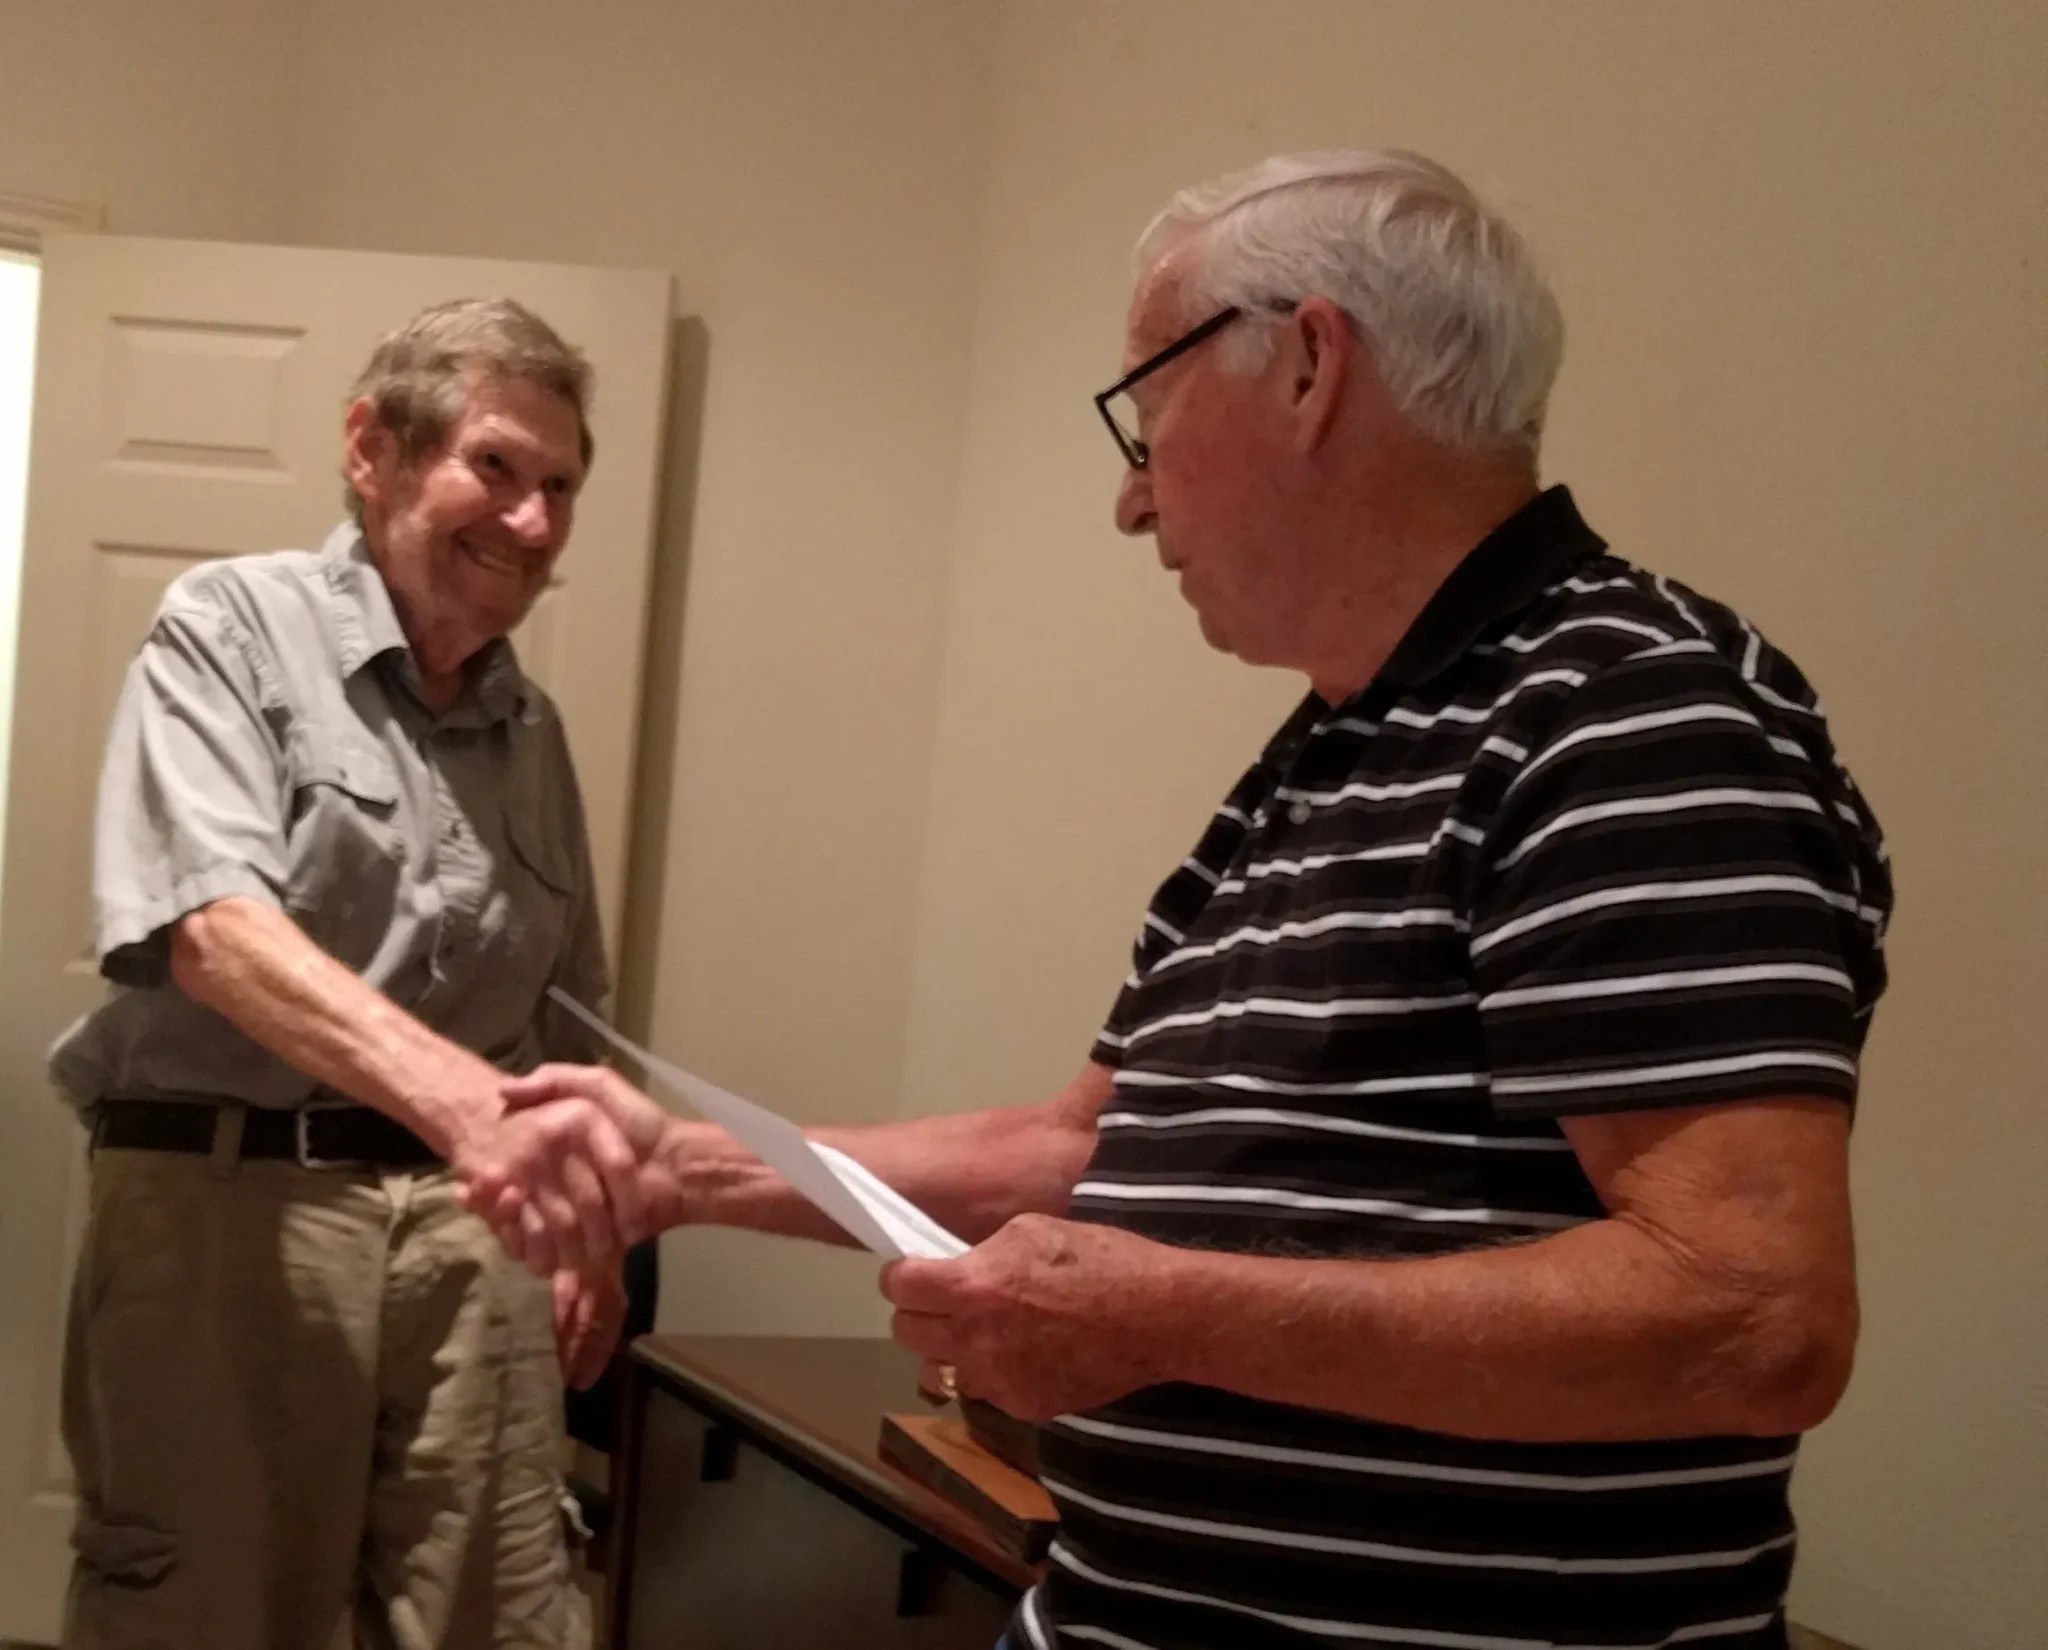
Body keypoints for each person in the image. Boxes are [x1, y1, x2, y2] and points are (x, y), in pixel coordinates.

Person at [467, 151, 1892, 1650]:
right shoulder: (1330, 748)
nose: (1130, 501)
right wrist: (679, 1168)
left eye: (1145, 419)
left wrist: (1164, 1315)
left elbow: (1751, 1317)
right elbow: (1074, 1148)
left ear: (1309, 369)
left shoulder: (1627, 715)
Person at [49, 297, 625, 1650]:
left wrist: (591, 1215)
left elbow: (572, 1012)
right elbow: (211, 929)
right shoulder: (230, 626)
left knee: (502, 1611)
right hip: (230, 1210)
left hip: (474, 1237)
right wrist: (472, 1108)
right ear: (373, 448)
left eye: (560, 487)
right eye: (495, 465)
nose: (532, 521)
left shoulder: (530, 726)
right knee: (202, 1615)